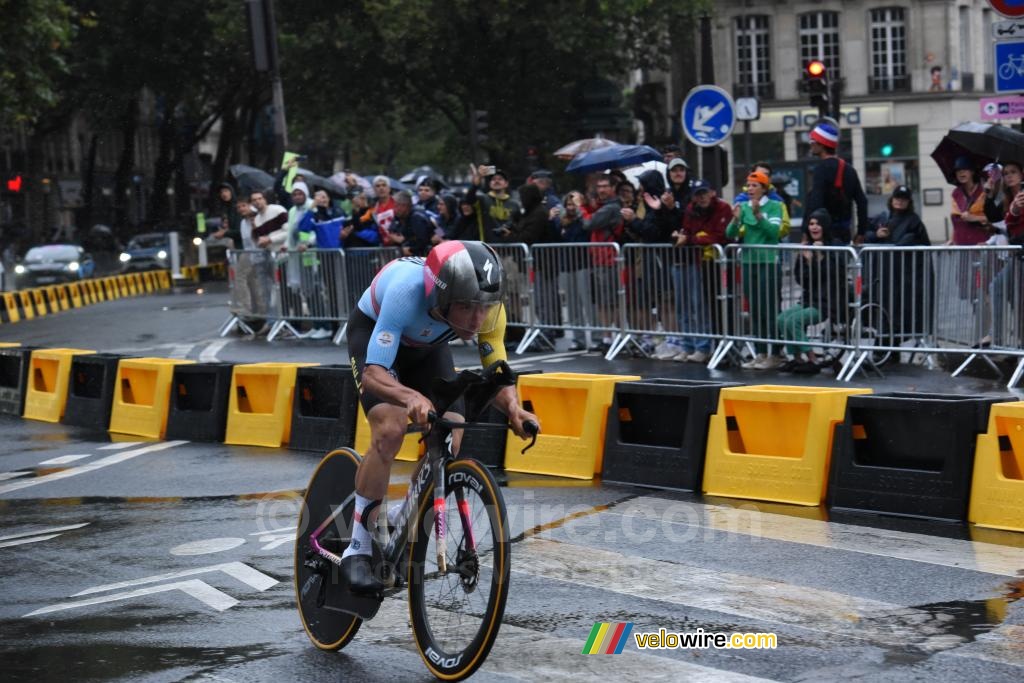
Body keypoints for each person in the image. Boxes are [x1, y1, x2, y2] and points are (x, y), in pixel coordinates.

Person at [340, 240, 540, 593]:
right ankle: (357, 548)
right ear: (440, 297)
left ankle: (405, 527)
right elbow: (374, 373)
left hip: (428, 348)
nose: (477, 319)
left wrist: (514, 408)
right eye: (466, 307)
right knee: (391, 428)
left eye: (483, 307)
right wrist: (410, 396)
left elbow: (497, 373)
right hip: (375, 336)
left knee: (452, 431)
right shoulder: (406, 292)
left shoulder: (488, 311)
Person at [777, 209, 847, 374]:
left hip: (827, 302)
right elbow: (801, 279)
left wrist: (820, 256)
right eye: (811, 224)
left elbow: (835, 273)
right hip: (809, 299)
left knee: (794, 321)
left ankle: (812, 359)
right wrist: (808, 262)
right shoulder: (806, 247)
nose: (814, 227)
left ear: (825, 226)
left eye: (817, 224)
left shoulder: (835, 246)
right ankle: (796, 358)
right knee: (782, 318)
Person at [726, 171, 785, 369]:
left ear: (764, 188)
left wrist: (759, 215)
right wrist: (735, 220)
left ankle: (775, 354)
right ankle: (760, 353)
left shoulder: (775, 206)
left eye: (754, 186)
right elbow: (730, 234)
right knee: (755, 310)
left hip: (768, 262)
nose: (749, 189)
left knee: (770, 309)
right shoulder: (743, 207)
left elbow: (774, 233)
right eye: (748, 186)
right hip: (749, 262)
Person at [673, 179, 732, 362]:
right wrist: (690, 238)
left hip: (717, 262)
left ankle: (707, 346)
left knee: (704, 307)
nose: (702, 197)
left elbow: (721, 235)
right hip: (698, 261)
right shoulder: (691, 209)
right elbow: (688, 232)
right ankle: (691, 345)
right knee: (687, 306)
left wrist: (695, 239)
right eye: (698, 194)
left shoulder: (723, 208)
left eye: (705, 193)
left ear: (712, 192)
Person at [804, 121, 868, 243]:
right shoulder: (850, 170)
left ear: (822, 144)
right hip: (844, 234)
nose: (810, 145)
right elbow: (862, 202)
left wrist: (806, 232)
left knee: (824, 262)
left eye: (812, 141)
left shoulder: (821, 169)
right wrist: (861, 232)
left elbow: (815, 203)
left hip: (823, 236)